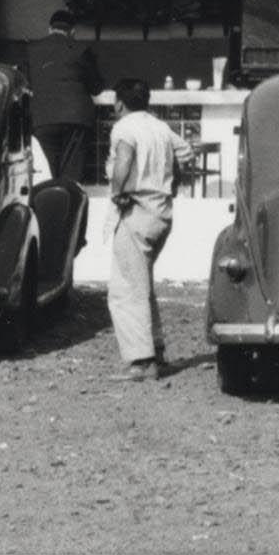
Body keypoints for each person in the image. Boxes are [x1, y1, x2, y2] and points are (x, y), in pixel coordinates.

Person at [104, 78, 184, 381]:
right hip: (162, 212)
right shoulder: (161, 127)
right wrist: (170, 188)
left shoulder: (124, 127)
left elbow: (124, 159)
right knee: (143, 284)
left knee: (126, 288)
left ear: (120, 103)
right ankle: (157, 351)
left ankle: (142, 361)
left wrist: (117, 191)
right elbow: (182, 158)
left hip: (137, 211)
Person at [21, 9, 99, 183]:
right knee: (71, 175)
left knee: (45, 173)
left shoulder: (32, 50)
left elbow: (26, 84)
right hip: (76, 118)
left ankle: (47, 208)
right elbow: (96, 87)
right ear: (72, 31)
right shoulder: (82, 49)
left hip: (43, 118)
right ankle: (68, 207)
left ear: (50, 29)